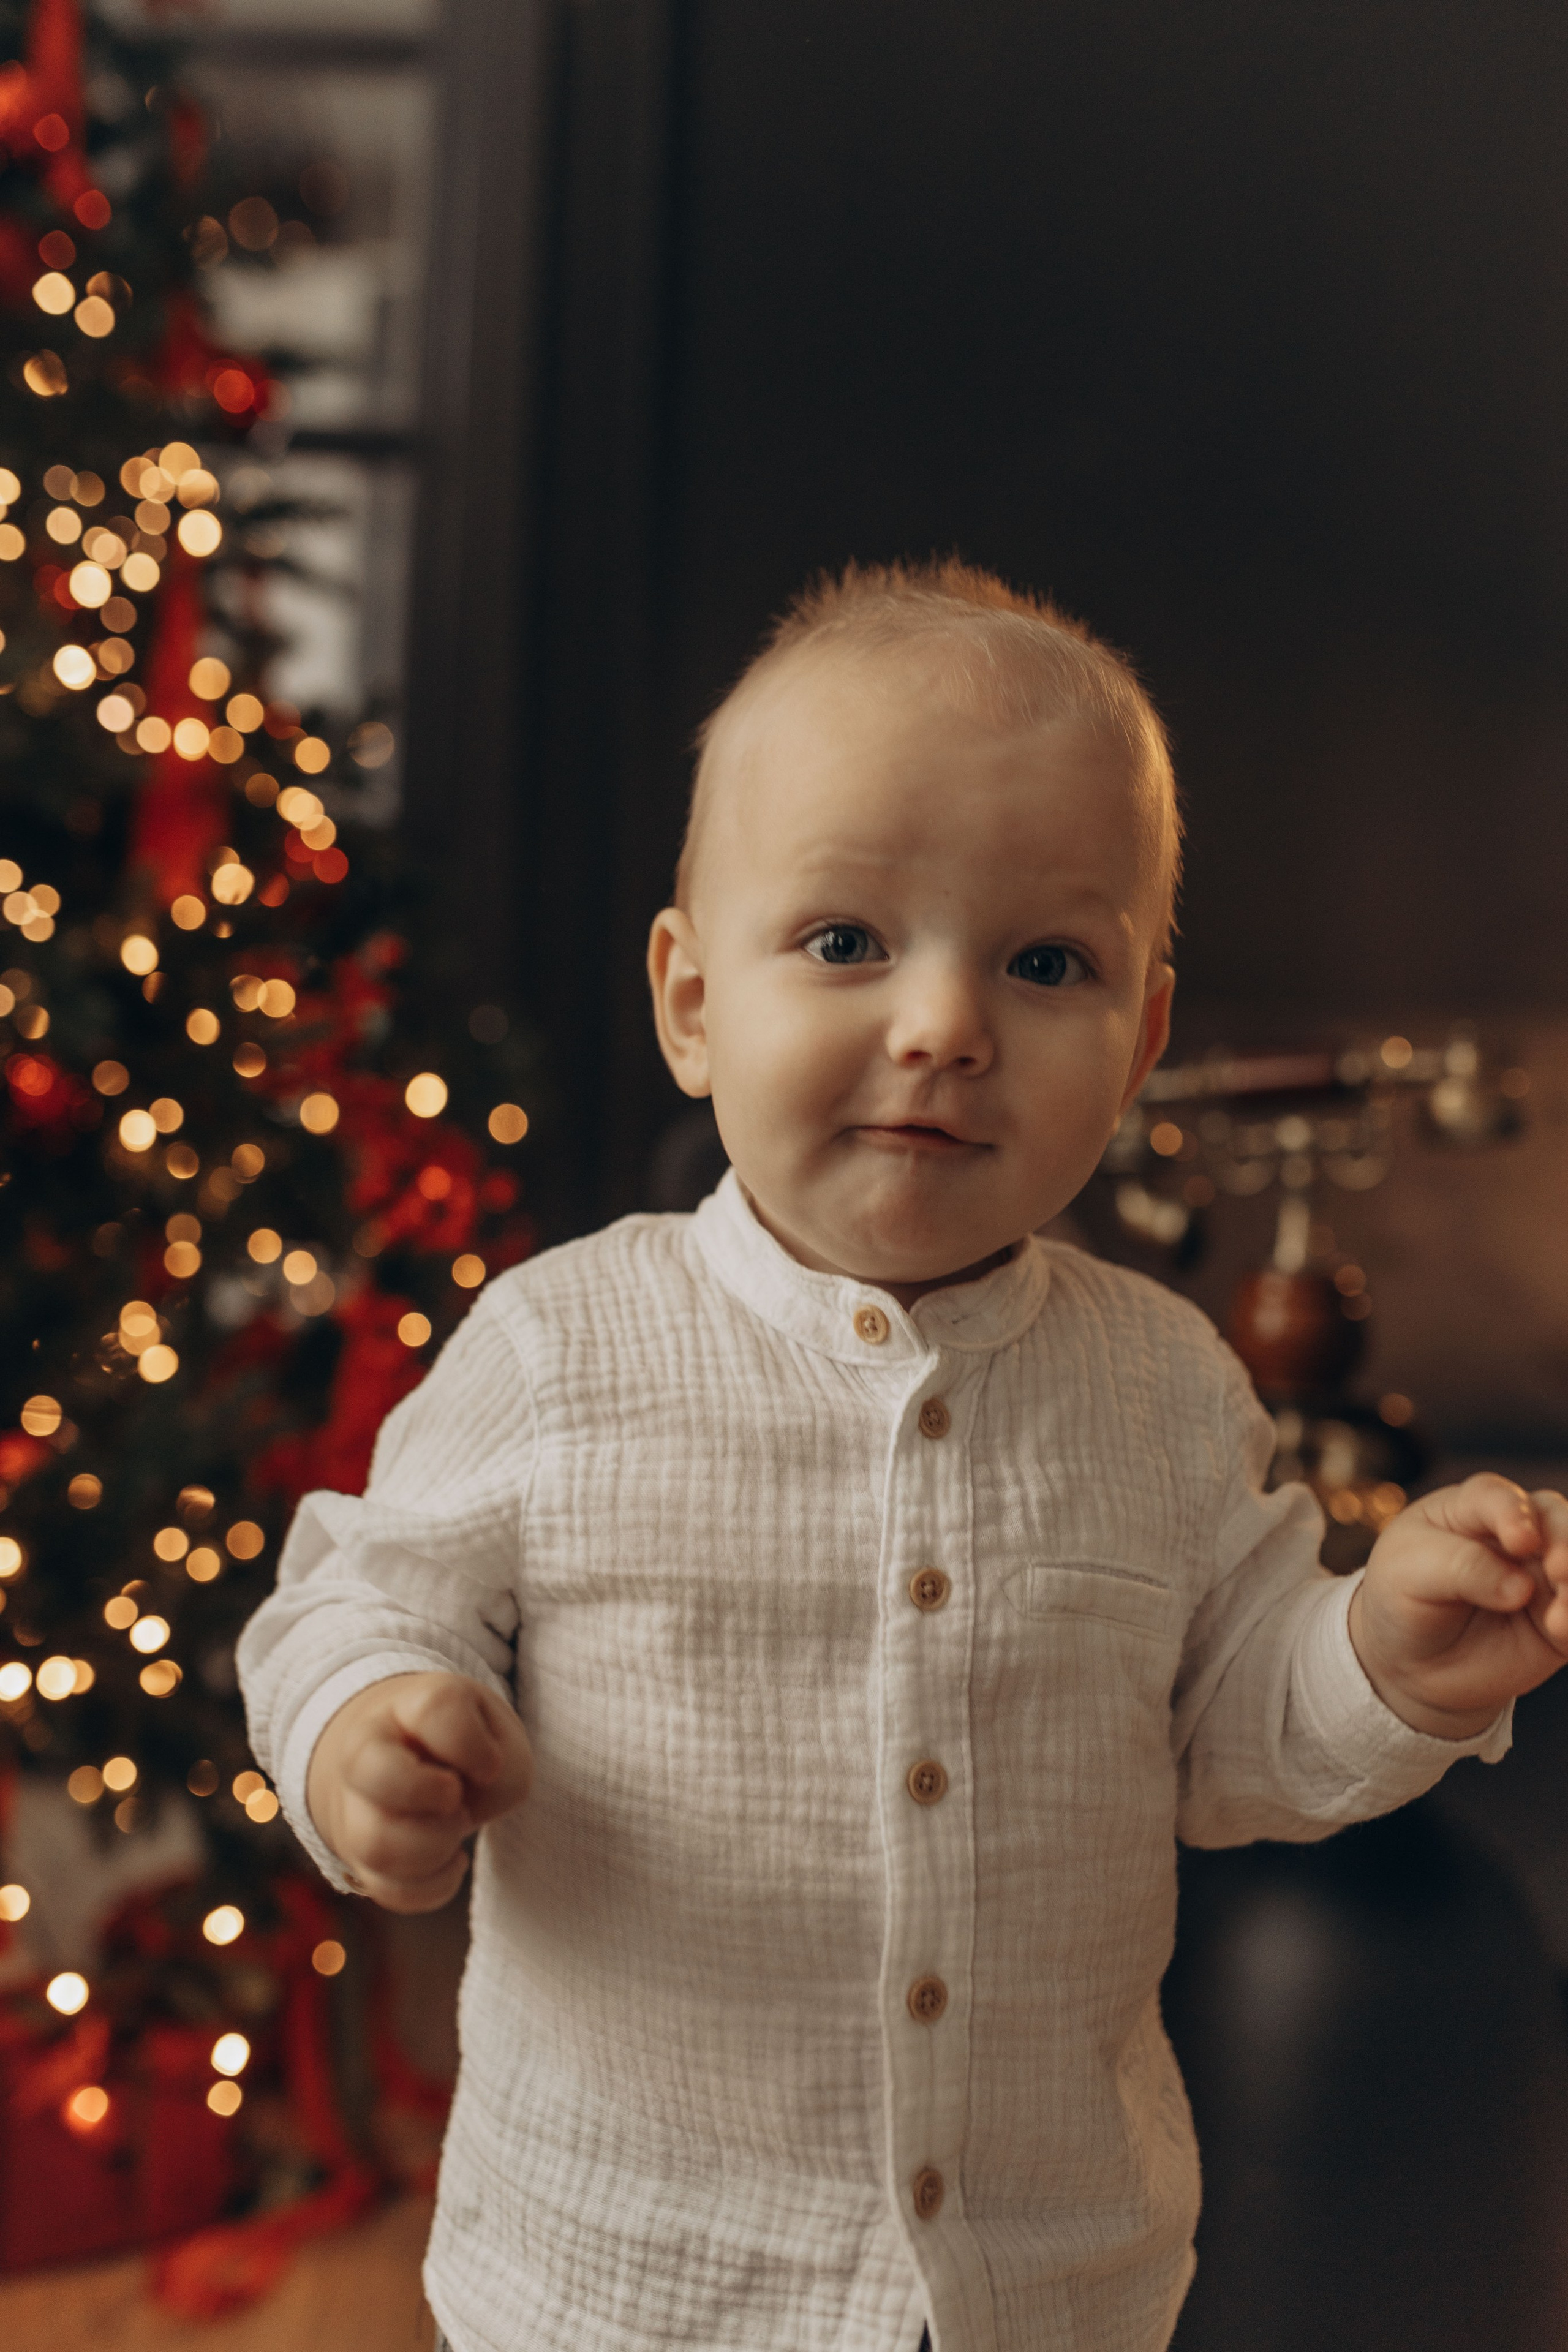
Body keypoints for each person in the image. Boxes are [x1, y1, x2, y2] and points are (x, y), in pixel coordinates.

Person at [238, 560, 1568, 2352]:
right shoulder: (564, 1348)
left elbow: (1235, 1728)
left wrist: (1386, 1660)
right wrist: (363, 1729)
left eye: (1045, 963)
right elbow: (348, 1599)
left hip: (1044, 2285)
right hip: (631, 2283)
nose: (944, 1026)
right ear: (694, 1002)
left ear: (1141, 1043)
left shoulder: (1165, 1387)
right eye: (848, 942)